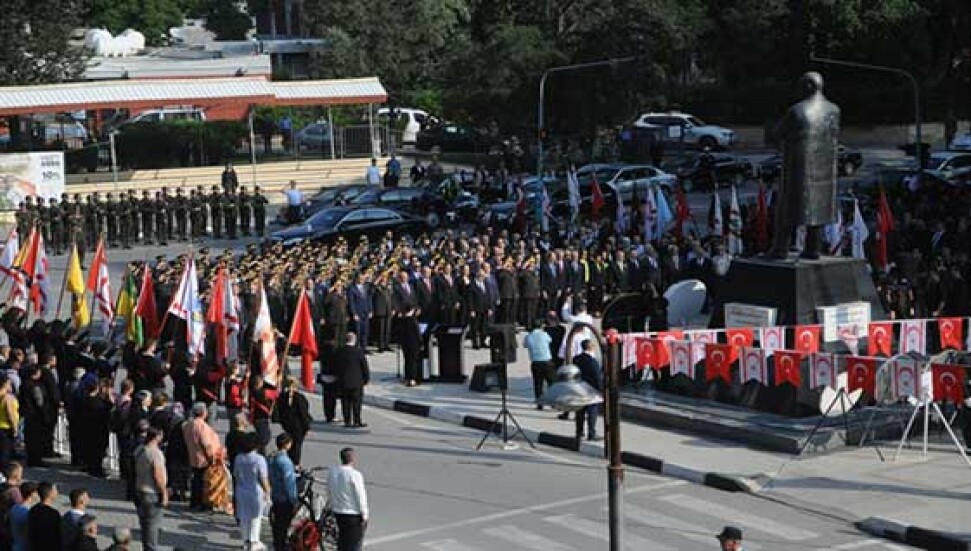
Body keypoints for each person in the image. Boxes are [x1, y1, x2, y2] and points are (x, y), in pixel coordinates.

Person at [326, 447, 368, 551]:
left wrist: (332, 504)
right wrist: (364, 513)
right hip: (352, 513)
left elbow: (329, 490)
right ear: (352, 459)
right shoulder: (355, 474)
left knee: (342, 540)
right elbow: (360, 495)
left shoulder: (333, 472)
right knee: (353, 543)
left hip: (338, 511)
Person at [233, 434, 270, 550]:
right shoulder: (259, 459)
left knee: (244, 517)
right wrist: (268, 491)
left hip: (241, 490)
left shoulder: (238, 457)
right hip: (255, 491)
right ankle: (254, 541)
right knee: (256, 517)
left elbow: (235, 474)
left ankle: (245, 541)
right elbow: (263, 478)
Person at [134, 427, 167, 551]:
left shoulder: (139, 449)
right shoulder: (155, 453)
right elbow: (158, 476)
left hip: (140, 490)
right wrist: (164, 492)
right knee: (152, 527)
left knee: (144, 525)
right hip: (152, 492)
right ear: (157, 436)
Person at [183, 402, 219, 512]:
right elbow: (206, 444)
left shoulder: (188, 424)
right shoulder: (202, 427)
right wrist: (211, 457)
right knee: (205, 482)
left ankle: (195, 501)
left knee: (196, 480)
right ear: (203, 413)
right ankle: (203, 503)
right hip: (203, 458)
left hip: (193, 455)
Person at [268, 433, 298, 551]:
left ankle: (277, 543)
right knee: (283, 524)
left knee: (277, 523)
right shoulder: (285, 461)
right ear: (287, 444)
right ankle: (281, 546)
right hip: (284, 498)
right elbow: (289, 483)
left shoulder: (272, 457)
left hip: (275, 494)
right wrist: (294, 500)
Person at [333, 333, 370, 428]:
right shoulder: (359, 352)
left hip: (344, 381)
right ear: (354, 340)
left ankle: (347, 420)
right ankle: (357, 420)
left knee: (345, 402)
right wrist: (366, 379)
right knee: (357, 402)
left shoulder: (340, 351)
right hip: (357, 381)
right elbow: (364, 367)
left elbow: (336, 366)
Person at [274, 378, 312, 465]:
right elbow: (303, 414)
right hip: (298, 426)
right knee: (297, 446)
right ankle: (295, 464)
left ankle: (287, 461)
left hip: (287, 424)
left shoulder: (282, 396)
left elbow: (279, 411)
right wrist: (307, 427)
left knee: (289, 444)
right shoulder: (300, 398)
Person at [573, 339, 603, 441]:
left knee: (580, 411)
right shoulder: (592, 361)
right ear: (590, 347)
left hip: (580, 388)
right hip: (591, 389)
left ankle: (579, 432)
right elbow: (597, 376)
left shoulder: (576, 358)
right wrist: (601, 390)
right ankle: (591, 433)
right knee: (592, 411)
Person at [524, 320, 554, 409]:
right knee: (551, 383)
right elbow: (550, 340)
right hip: (547, 361)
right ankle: (553, 402)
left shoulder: (528, 336)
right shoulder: (544, 334)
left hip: (536, 362)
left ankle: (540, 403)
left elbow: (525, 345)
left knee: (538, 384)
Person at [27, 481, 62, 550]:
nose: (57, 492)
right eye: (55, 490)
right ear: (50, 493)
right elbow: (58, 535)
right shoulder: (53, 513)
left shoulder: (33, 510)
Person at [9, 481, 37, 551]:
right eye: (36, 492)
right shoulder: (28, 512)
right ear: (32, 494)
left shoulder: (14, 508)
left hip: (15, 546)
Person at [0, 374, 18, 471]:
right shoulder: (8, 398)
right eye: (9, 384)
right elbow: (11, 414)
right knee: (5, 454)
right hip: (5, 428)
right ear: (4, 384)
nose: (10, 386)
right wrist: (15, 428)